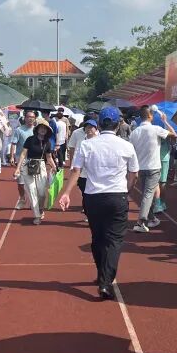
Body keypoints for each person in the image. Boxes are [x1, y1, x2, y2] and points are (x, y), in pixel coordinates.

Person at [58, 107, 138, 299]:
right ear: (118, 125)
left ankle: (102, 275)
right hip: (117, 196)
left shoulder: (87, 145)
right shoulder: (126, 146)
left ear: (99, 125)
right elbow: (134, 174)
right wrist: (127, 190)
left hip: (93, 197)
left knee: (98, 237)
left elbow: (76, 170)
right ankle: (105, 281)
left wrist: (66, 193)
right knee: (114, 240)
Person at [130, 106, 174, 233]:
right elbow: (174, 134)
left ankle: (151, 218)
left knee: (146, 194)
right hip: (153, 167)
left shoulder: (135, 132)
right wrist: (165, 121)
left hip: (141, 167)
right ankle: (140, 222)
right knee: (148, 194)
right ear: (150, 116)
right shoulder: (155, 129)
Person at [15, 119, 56, 225]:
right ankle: (37, 215)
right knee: (32, 191)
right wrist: (18, 168)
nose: (43, 130)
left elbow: (49, 157)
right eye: (41, 128)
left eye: (45, 129)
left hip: (41, 166)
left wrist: (54, 166)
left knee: (42, 193)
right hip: (29, 165)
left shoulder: (47, 143)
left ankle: (41, 208)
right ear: (37, 129)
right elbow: (23, 154)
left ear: (47, 131)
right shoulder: (30, 140)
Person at [12, 110, 36, 209]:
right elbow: (14, 143)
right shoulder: (19, 130)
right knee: (21, 183)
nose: (31, 119)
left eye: (32, 117)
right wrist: (12, 156)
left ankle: (32, 201)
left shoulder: (37, 130)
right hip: (21, 158)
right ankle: (22, 199)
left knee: (32, 183)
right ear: (25, 118)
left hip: (33, 159)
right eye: (29, 117)